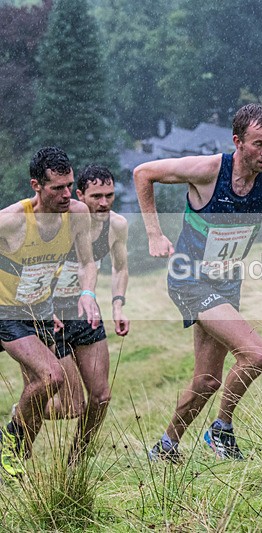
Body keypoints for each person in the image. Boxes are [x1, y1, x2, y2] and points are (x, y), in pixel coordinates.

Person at [134, 103, 262, 462]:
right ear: (238, 142)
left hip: (226, 283)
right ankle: (221, 431)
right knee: (255, 354)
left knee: (207, 380)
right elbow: (143, 172)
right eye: (258, 144)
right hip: (189, 278)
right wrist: (154, 234)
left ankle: (165, 448)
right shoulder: (208, 170)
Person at [0, 147, 101, 479]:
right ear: (36, 186)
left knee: (71, 404)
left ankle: (17, 429)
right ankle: (12, 441)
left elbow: (87, 262)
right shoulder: (13, 221)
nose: (66, 194)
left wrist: (86, 293)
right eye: (57, 188)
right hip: (7, 312)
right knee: (50, 377)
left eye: (69, 185)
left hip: (42, 311)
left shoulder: (78, 214)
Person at [44, 164, 130, 464]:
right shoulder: (62, 220)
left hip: (84, 312)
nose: (104, 203)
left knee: (101, 397)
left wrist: (117, 305)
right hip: (49, 315)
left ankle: (76, 461)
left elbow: (120, 267)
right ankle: (23, 413)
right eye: (96, 196)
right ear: (80, 195)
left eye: (109, 195)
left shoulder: (116, 226)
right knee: (71, 406)